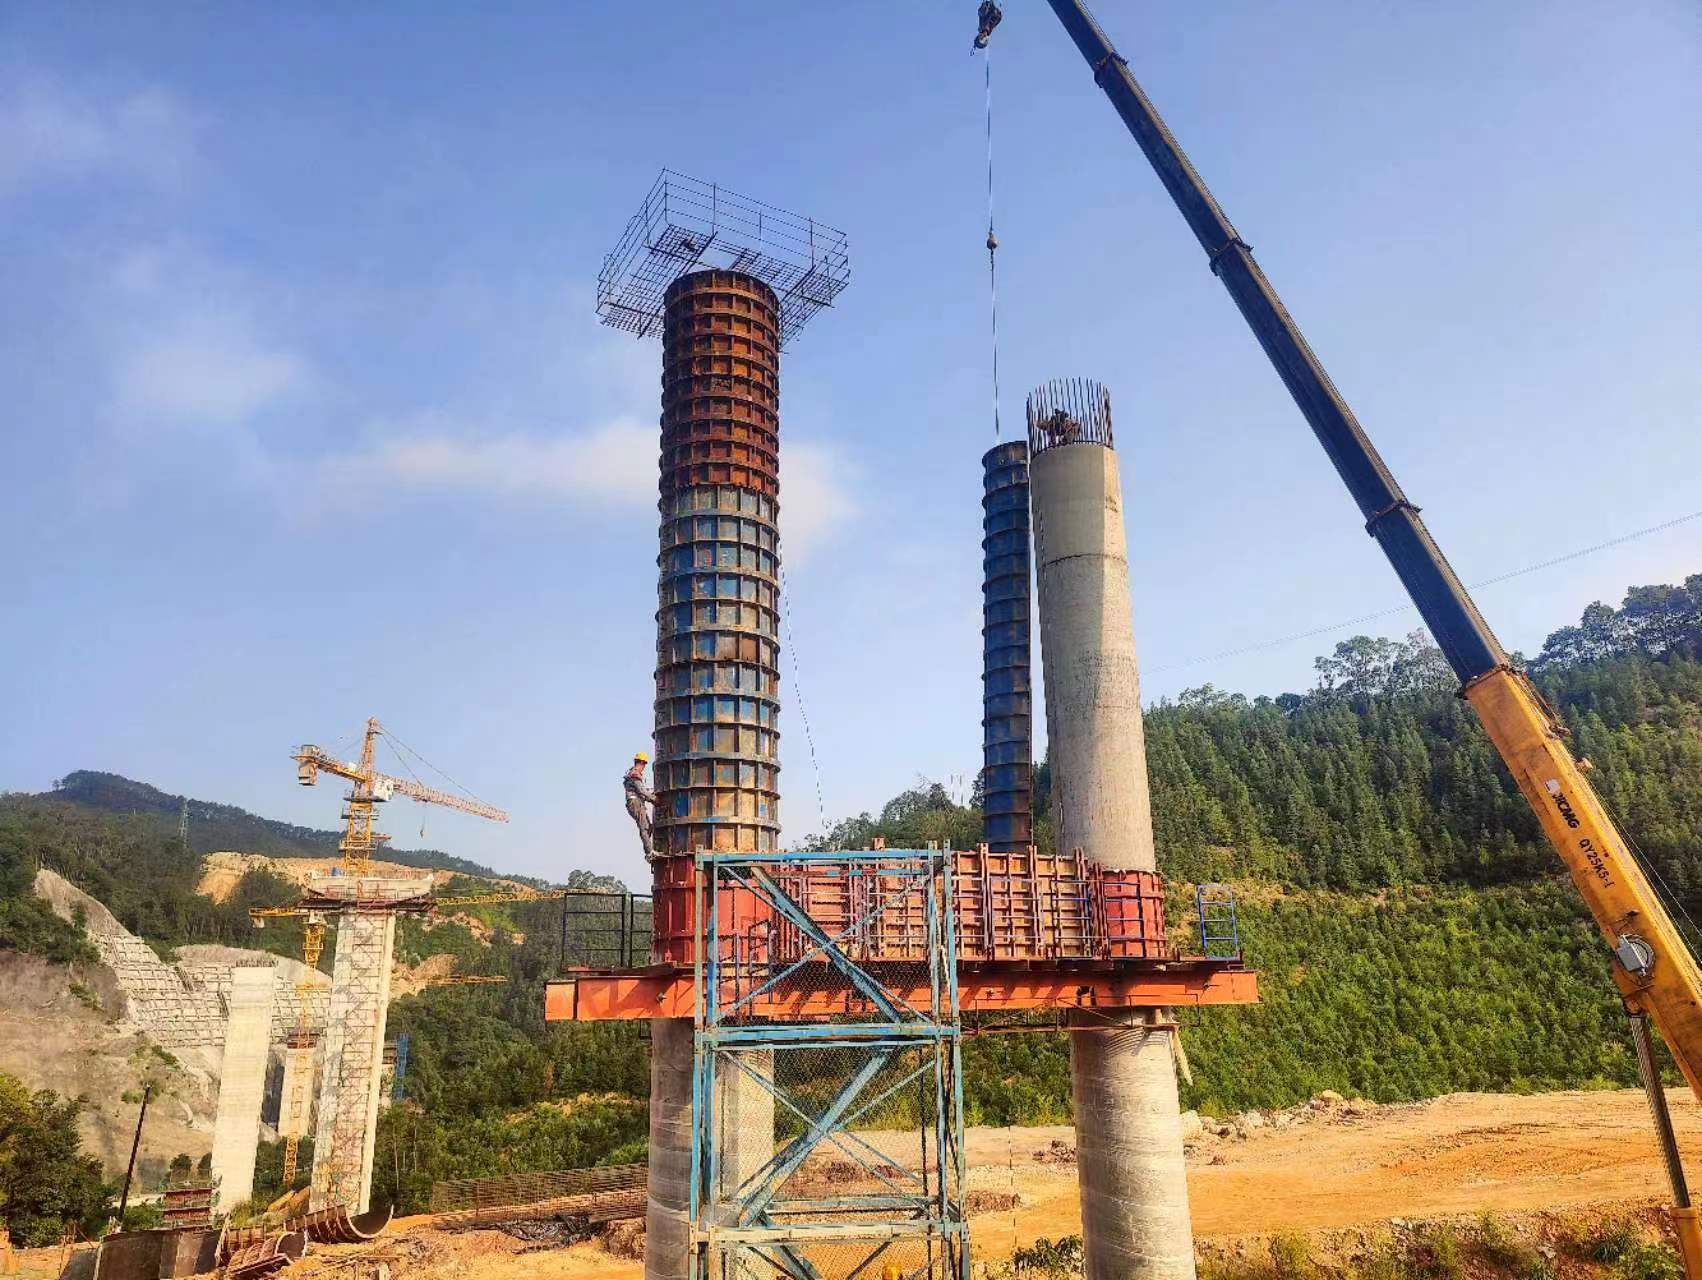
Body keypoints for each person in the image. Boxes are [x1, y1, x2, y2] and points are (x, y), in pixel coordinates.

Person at [623, 752, 656, 860]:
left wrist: (650, 796)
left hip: (636, 802)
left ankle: (649, 848)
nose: (644, 767)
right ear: (641, 763)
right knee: (644, 827)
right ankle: (649, 852)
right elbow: (642, 791)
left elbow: (642, 792)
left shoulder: (632, 774)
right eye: (644, 764)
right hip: (635, 802)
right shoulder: (635, 774)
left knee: (649, 827)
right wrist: (654, 799)